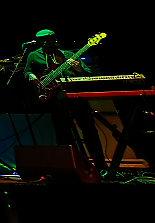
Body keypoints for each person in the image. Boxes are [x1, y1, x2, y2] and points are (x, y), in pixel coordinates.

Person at [24, 29, 108, 176]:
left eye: (48, 38)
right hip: (55, 99)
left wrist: (79, 68)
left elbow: (87, 74)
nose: (45, 41)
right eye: (41, 39)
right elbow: (27, 71)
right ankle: (74, 167)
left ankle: (101, 166)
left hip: (75, 95)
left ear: (54, 39)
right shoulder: (33, 55)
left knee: (89, 130)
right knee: (63, 134)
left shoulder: (68, 55)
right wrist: (30, 75)